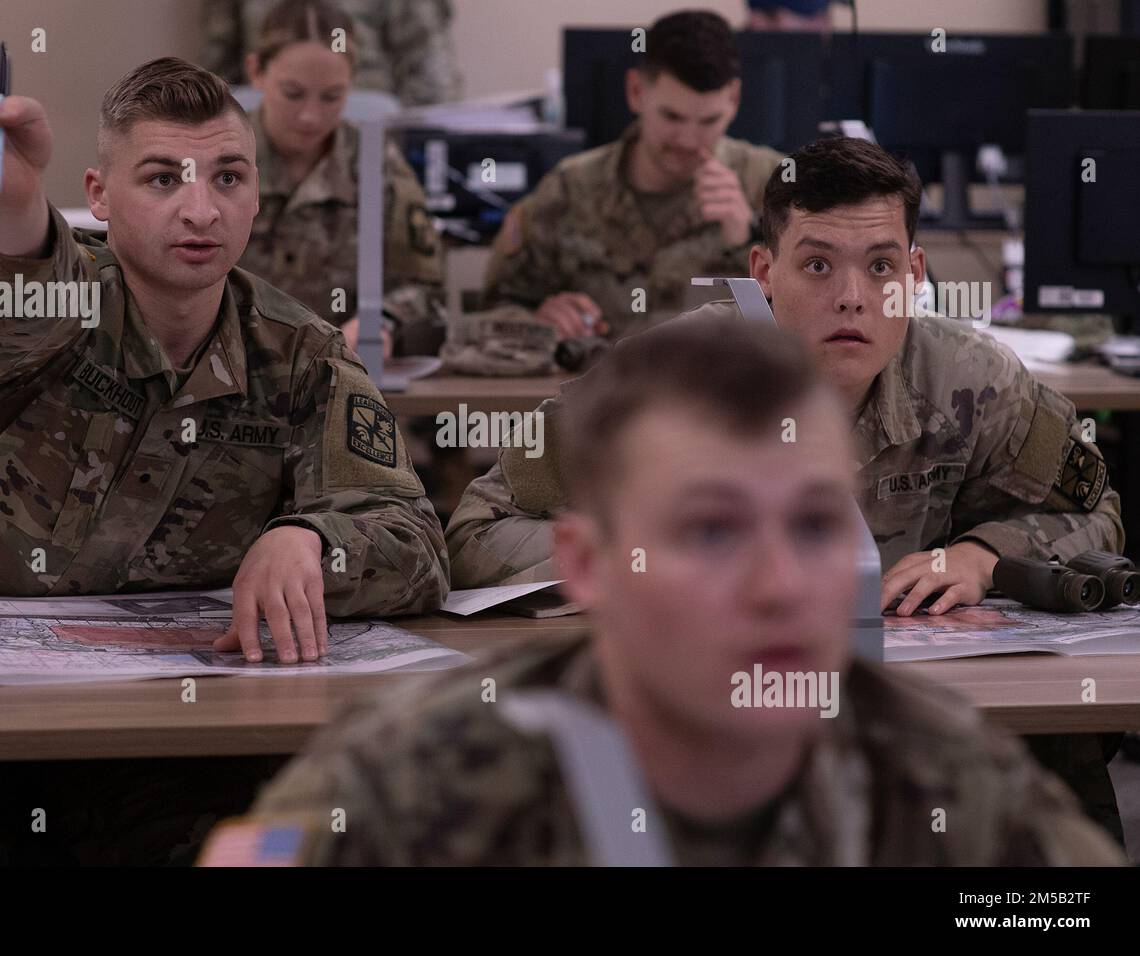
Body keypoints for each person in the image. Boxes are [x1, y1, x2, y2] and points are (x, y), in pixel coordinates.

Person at [208, 316, 1125, 865]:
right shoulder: (411, 785)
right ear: (593, 565)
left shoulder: (945, 778)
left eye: (813, 526)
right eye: (712, 531)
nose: (779, 586)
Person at [445, 135, 1127, 842]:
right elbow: (477, 524)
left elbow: (1093, 511)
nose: (852, 298)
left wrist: (985, 556)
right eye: (818, 265)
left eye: (882, 267)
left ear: (916, 273)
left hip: (911, 707)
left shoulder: (973, 378)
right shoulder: (666, 382)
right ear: (764, 271)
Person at [0, 53, 449, 668]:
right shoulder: (63, 303)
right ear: (99, 196)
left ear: (257, 192)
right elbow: (10, 287)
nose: (202, 211)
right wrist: (16, 205)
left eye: (228, 178)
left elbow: (416, 543)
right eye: (163, 179)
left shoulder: (301, 355)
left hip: (175, 696)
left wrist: (311, 540)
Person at [480, 9, 783, 344]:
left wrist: (746, 240)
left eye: (709, 121)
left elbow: (810, 328)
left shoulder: (773, 187)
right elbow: (492, 311)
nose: (688, 140)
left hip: (725, 392)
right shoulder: (569, 189)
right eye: (672, 116)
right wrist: (540, 321)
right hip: (598, 390)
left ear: (734, 100)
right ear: (637, 91)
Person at [237, 0, 444, 357]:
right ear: (256, 71)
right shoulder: (222, 160)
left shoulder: (375, 163)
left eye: (332, 96)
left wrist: (380, 322)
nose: (310, 116)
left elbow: (425, 289)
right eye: (293, 93)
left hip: (342, 374)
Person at [200, 0, 461, 105]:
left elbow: (431, 68)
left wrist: (412, 148)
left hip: (365, 123)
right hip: (267, 128)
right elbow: (218, 64)